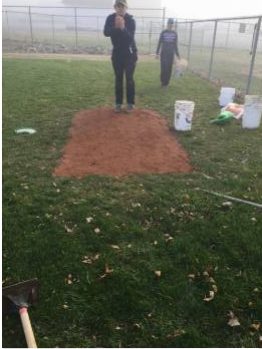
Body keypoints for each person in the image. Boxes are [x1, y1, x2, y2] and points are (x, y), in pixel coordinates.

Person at [104, 0, 138, 113]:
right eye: (118, 6)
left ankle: (130, 103)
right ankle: (118, 103)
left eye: (122, 6)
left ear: (126, 7)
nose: (120, 8)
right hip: (117, 53)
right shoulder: (110, 18)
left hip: (130, 54)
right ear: (115, 7)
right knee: (118, 78)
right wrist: (116, 27)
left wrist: (123, 28)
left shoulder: (131, 20)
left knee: (129, 79)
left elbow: (130, 38)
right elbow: (106, 32)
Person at [156, 18, 180, 87]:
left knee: (169, 68)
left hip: (170, 54)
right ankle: (162, 81)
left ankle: (166, 83)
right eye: (169, 24)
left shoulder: (175, 33)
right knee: (163, 68)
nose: (171, 25)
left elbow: (175, 45)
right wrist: (157, 53)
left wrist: (178, 55)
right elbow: (159, 43)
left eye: (172, 24)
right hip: (164, 53)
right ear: (167, 24)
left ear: (173, 25)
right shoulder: (163, 32)